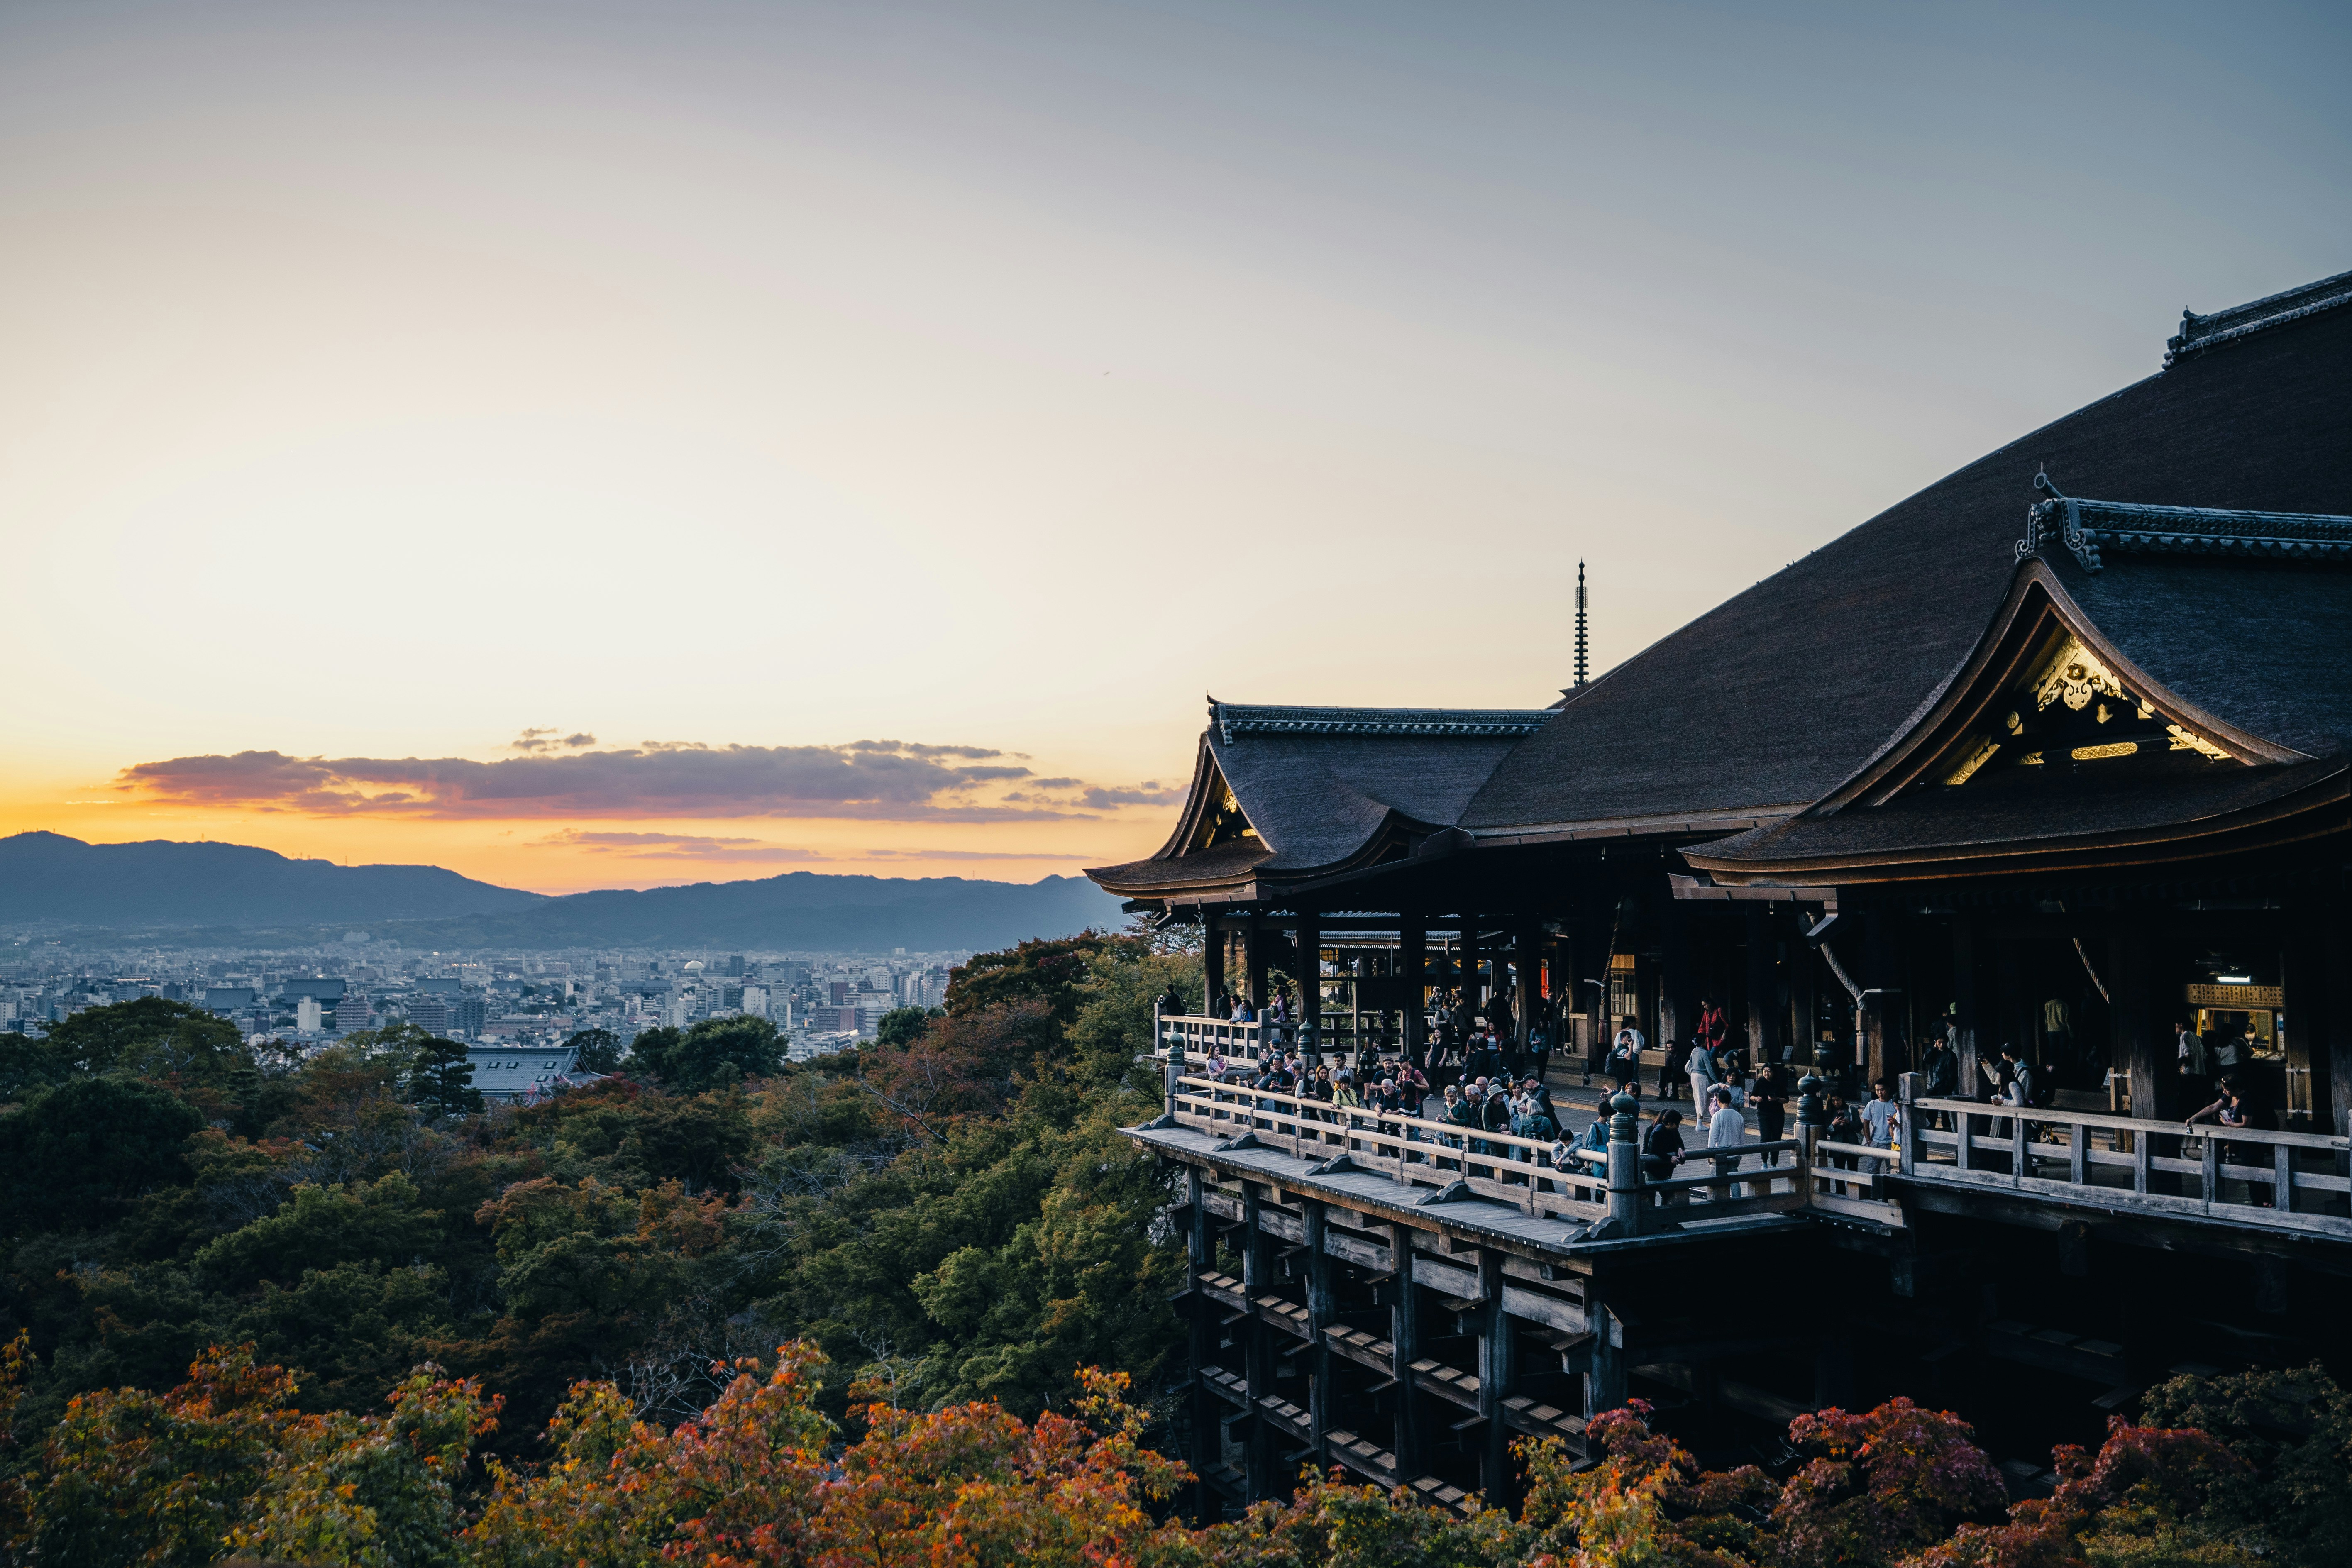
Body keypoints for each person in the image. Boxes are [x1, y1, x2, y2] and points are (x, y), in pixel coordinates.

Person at [1705, 1084, 1745, 1196]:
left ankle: (1721, 1200)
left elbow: (1713, 1137)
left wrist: (1710, 1154)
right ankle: (1737, 1201)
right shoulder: (1739, 1116)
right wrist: (1740, 1153)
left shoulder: (1717, 1116)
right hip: (1735, 1153)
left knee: (1719, 1180)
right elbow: (1742, 1137)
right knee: (1734, 1180)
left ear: (1718, 1101)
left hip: (1721, 1154)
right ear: (1730, 1100)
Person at [1641, 1108, 1688, 1203]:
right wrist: (1669, 1158)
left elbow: (1678, 1143)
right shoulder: (1656, 1131)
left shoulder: (1672, 1130)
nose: (1678, 1126)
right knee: (1651, 1195)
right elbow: (1651, 1149)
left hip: (1666, 1167)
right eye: (1677, 1124)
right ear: (1670, 1122)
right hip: (1654, 1168)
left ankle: (1663, 1212)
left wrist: (1679, 1149)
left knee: (1666, 1194)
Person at [1861, 1076, 1901, 1174]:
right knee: (1872, 1171)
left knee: (1892, 1171)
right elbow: (1865, 1123)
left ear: (1888, 1089)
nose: (1880, 1093)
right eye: (1877, 1090)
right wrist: (1869, 1140)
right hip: (1876, 1142)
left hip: (1891, 1143)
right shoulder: (1872, 1104)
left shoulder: (1894, 1105)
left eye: (1882, 1090)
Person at [1751, 1061, 1787, 1166]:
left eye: (1769, 1071)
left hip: (1778, 1114)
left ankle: (1774, 1163)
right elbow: (1752, 1097)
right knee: (1765, 1137)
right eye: (1765, 1071)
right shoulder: (1759, 1082)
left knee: (1776, 1138)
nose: (1767, 1074)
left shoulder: (1779, 1083)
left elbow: (1786, 1099)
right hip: (1763, 1113)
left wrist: (1776, 1099)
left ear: (1774, 1072)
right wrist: (1756, 1098)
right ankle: (1764, 1161)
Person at [1605, 1024, 1641, 1093]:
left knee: (1626, 1088)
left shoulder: (1625, 1047)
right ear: (1622, 1039)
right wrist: (1631, 1046)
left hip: (1626, 1072)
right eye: (1627, 1038)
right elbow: (1628, 1057)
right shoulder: (1621, 1048)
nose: (1629, 1040)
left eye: (1630, 1038)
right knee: (1623, 1090)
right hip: (1621, 1072)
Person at [1685, 1037, 1715, 1109]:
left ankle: (1699, 1120)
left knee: (1698, 1099)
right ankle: (1705, 1117)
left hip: (1693, 1076)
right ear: (1703, 1042)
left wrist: (1692, 1074)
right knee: (1704, 1099)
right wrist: (1716, 1080)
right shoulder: (1704, 1053)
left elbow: (1687, 1067)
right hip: (1702, 1077)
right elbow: (1709, 1069)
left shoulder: (1694, 1051)